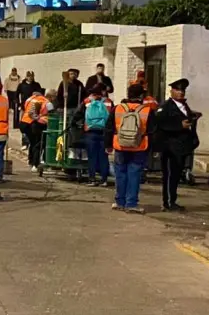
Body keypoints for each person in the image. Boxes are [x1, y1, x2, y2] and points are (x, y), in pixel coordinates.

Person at [105, 83, 156, 214]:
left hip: (120, 145)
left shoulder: (118, 108)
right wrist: (152, 149)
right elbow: (152, 131)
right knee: (134, 174)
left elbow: (109, 128)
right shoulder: (147, 110)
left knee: (120, 174)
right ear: (141, 96)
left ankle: (119, 202)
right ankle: (131, 203)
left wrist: (108, 145)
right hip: (139, 146)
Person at [156, 79, 201, 212]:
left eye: (182, 90)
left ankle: (172, 200)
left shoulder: (184, 106)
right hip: (170, 147)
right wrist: (178, 125)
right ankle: (168, 202)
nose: (181, 93)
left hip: (181, 147)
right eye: (178, 90)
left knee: (176, 175)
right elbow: (159, 123)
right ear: (172, 91)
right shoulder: (165, 106)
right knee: (170, 175)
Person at [73, 84, 110, 187]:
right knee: (103, 157)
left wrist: (75, 124)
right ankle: (104, 180)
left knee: (92, 157)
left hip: (90, 132)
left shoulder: (87, 101)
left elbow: (77, 114)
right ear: (102, 92)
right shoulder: (108, 102)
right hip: (104, 132)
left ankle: (92, 179)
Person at [22, 89, 51, 172]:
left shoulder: (31, 99)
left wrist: (36, 118)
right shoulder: (47, 102)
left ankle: (31, 161)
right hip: (40, 125)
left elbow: (29, 111)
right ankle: (35, 163)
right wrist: (39, 118)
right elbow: (52, 112)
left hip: (28, 122)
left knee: (34, 143)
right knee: (38, 144)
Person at [16, 71, 43, 149]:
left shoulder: (36, 85)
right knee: (24, 126)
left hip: (34, 108)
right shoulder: (21, 85)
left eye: (32, 76)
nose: (30, 78)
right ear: (26, 76)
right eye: (29, 76)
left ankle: (32, 141)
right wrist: (19, 104)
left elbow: (40, 95)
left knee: (33, 126)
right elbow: (16, 95)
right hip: (24, 108)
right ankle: (24, 142)